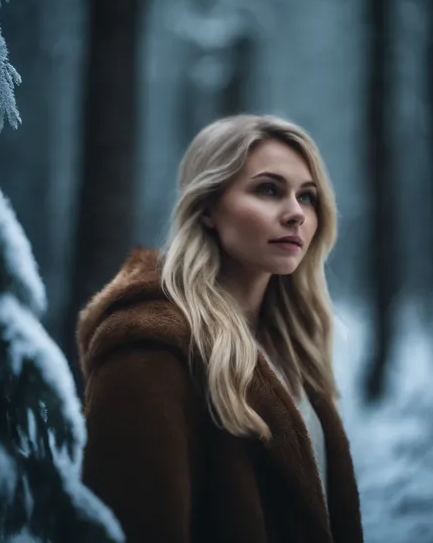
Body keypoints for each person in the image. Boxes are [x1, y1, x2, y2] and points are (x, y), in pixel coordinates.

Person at [76, 114, 364, 543]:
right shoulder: (148, 352)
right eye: (269, 189)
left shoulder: (289, 342)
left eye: (307, 197)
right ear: (207, 208)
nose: (295, 214)